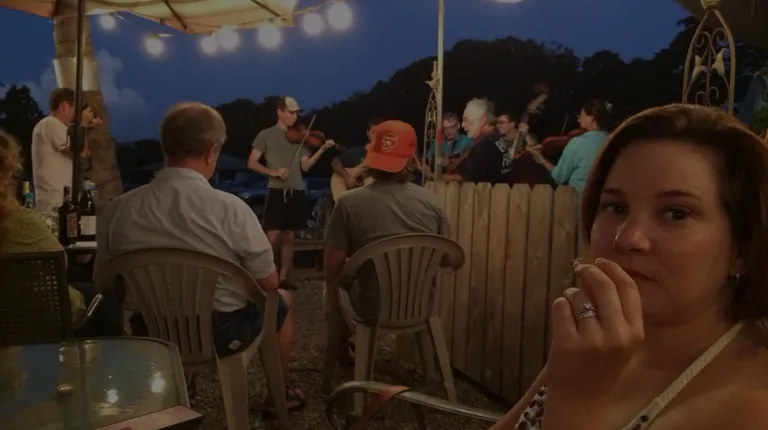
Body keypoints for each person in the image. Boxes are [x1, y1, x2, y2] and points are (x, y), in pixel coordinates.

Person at [491, 104, 768, 430]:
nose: (628, 238)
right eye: (615, 207)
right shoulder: (599, 344)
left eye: (677, 213)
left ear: (742, 248)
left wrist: (578, 403)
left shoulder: (750, 407)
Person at [96, 103, 306, 412]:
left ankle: (182, 383)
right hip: (222, 335)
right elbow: (270, 283)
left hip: (151, 334)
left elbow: (105, 284)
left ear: (165, 147)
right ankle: (279, 395)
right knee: (282, 299)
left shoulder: (117, 211)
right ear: (210, 152)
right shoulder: (231, 209)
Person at [324, 120, 450, 362]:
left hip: (368, 308)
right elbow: (447, 259)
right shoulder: (432, 202)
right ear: (411, 160)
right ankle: (433, 374)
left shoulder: (347, 203)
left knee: (330, 290)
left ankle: (341, 352)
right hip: (420, 306)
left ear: (371, 157)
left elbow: (331, 269)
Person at [0, 130, 120, 337]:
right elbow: (59, 262)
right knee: (108, 299)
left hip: (7, 320)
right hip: (47, 316)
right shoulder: (19, 221)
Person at [247, 96, 335, 290]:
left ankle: (283, 277)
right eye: (291, 113)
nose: (295, 117)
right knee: (271, 235)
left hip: (297, 190)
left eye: (297, 113)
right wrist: (273, 172)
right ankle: (262, 276)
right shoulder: (266, 135)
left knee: (290, 236)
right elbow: (251, 163)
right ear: (280, 112)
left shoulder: (300, 137)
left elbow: (305, 167)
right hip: (277, 190)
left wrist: (321, 149)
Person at [31, 88, 100, 214]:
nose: (74, 116)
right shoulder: (50, 123)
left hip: (58, 200)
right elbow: (81, 152)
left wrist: (87, 126)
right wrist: (83, 125)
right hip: (54, 202)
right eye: (74, 110)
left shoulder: (53, 126)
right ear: (64, 106)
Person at [528, 99, 611, 193]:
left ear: (591, 118)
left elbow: (559, 177)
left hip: (578, 197)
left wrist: (542, 160)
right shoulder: (611, 140)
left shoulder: (578, 142)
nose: (579, 119)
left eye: (581, 115)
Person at [431, 98, 508, 184]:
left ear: (483, 120)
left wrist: (432, 175)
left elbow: (466, 179)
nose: (463, 125)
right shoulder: (496, 137)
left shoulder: (484, 144)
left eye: (467, 120)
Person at [496, 111, 554, 186]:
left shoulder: (526, 136)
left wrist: (526, 135)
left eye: (501, 123)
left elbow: (537, 155)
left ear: (512, 124)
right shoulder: (498, 141)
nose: (498, 125)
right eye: (497, 123)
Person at [330, 117, 384, 191]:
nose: (377, 136)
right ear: (368, 133)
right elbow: (335, 163)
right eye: (374, 133)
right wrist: (347, 177)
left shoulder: (388, 154)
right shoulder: (356, 151)